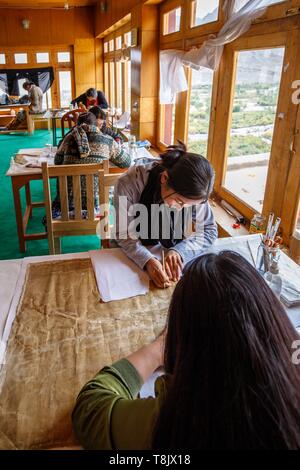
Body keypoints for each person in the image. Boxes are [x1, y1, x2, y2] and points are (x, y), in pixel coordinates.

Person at [72, 251, 300, 450]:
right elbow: (125, 234)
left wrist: (158, 348)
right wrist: (148, 259)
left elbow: (91, 409)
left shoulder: (183, 418)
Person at [113, 142, 218, 288]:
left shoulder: (196, 190)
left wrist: (179, 251)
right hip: (135, 251)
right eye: (179, 202)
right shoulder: (129, 183)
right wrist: (147, 260)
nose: (182, 209)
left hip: (169, 247)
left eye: (190, 206)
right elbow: (123, 233)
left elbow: (208, 230)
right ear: (164, 178)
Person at [53, 112, 131, 213]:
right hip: (97, 208)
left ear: (76, 125)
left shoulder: (68, 139)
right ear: (96, 125)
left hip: (66, 208)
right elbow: (126, 162)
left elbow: (57, 162)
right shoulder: (108, 141)